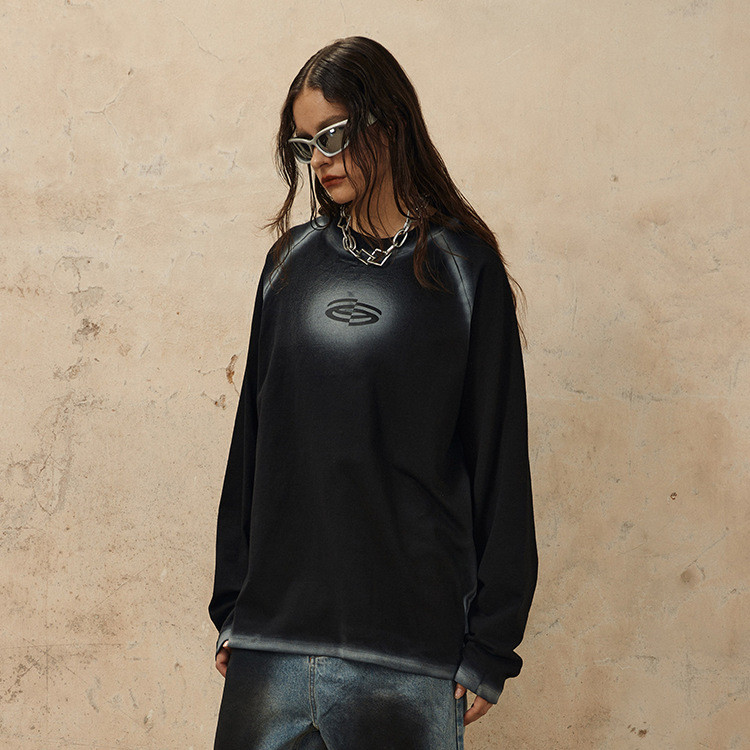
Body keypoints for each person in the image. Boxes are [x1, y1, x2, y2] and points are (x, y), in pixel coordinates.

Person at [209, 35, 538, 750]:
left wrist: (490, 644)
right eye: (305, 144)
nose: (320, 159)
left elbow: (500, 462)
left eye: (333, 135)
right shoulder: (288, 267)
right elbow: (253, 441)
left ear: (386, 123)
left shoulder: (461, 271)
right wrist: (233, 605)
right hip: (273, 642)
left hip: (408, 654)